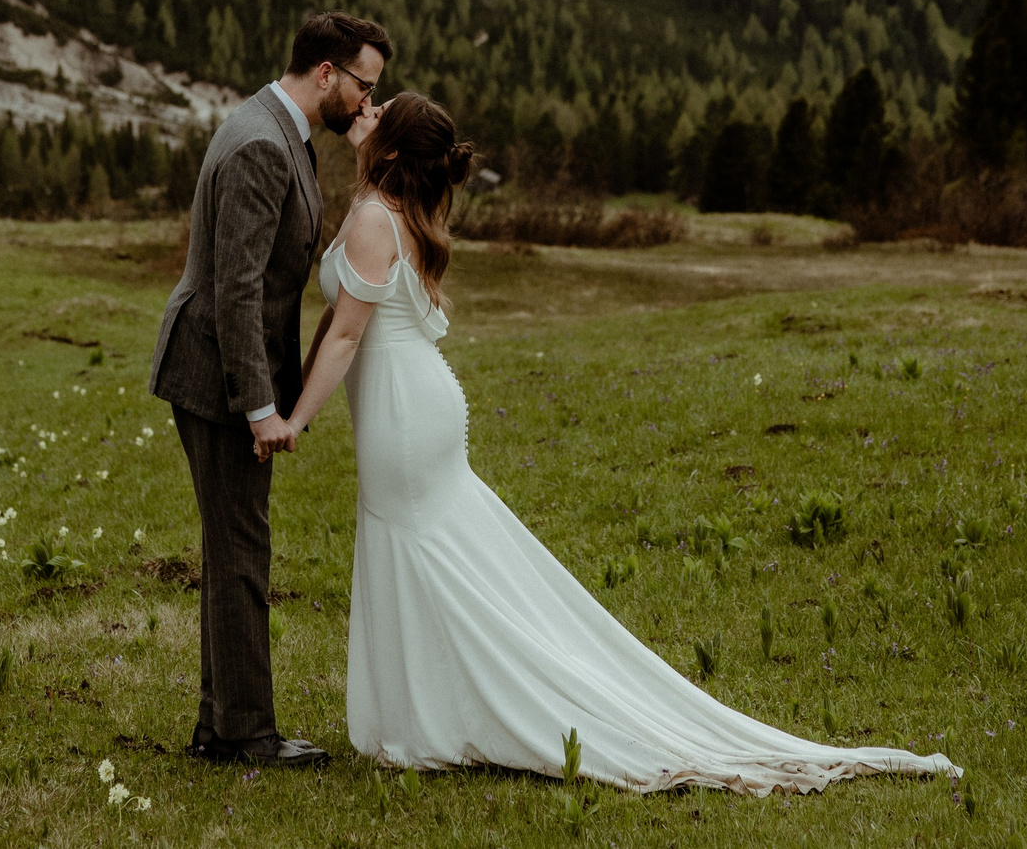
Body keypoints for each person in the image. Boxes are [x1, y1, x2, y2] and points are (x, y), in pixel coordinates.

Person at [286, 92, 962, 796]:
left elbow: (344, 333)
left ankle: (469, 713)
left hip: (403, 408)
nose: (366, 107)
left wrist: (295, 420)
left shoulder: (373, 216)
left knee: (427, 559)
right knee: (438, 562)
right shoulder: (392, 209)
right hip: (414, 400)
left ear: (392, 150)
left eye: (379, 108)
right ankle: (429, 712)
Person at [147, 9, 392, 769]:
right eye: (364, 85)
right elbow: (237, 293)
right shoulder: (261, 143)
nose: (368, 101)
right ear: (327, 73)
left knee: (231, 551)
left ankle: (220, 726)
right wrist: (261, 408)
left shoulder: (276, 126)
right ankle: (247, 734)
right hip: (217, 374)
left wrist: (364, 157)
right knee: (242, 552)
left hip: (219, 364)